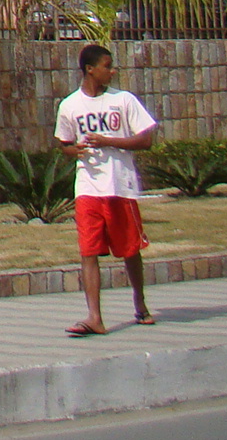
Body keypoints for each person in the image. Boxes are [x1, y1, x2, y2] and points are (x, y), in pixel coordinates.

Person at [54, 44, 158, 338]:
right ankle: (94, 317)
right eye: (107, 66)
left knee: (129, 249)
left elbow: (146, 140)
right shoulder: (70, 105)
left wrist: (110, 142)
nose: (112, 71)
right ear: (90, 69)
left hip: (120, 186)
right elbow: (64, 145)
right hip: (88, 187)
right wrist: (75, 150)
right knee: (89, 251)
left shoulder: (123, 101)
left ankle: (139, 302)